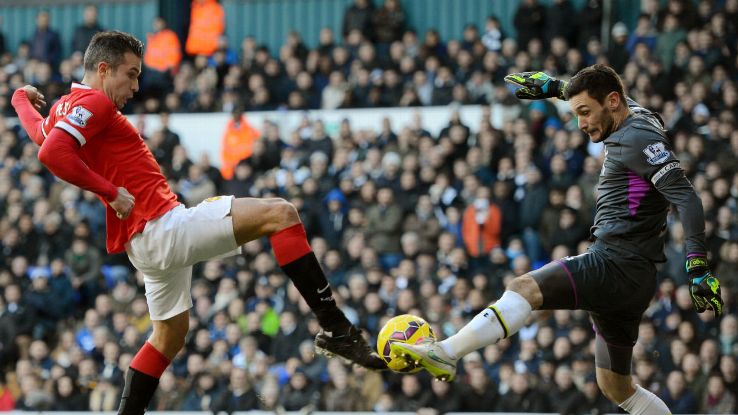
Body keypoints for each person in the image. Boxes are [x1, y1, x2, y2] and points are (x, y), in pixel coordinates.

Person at [10, 31, 385, 415]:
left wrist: (19, 98)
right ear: (103, 69)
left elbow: (41, 136)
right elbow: (52, 154)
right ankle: (339, 329)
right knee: (282, 213)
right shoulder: (95, 102)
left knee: (168, 338)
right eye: (131, 74)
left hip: (145, 244)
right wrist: (111, 191)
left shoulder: (67, 107)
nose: (136, 87)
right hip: (162, 227)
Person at [391, 64, 724, 415]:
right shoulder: (635, 114)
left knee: (524, 288)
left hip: (614, 262)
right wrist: (554, 87)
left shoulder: (639, 139)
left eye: (585, 113)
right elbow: (604, 97)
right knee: (617, 387)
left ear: (612, 101)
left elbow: (687, 198)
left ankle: (446, 353)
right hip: (635, 278)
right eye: (576, 112)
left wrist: (698, 266)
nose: (581, 124)